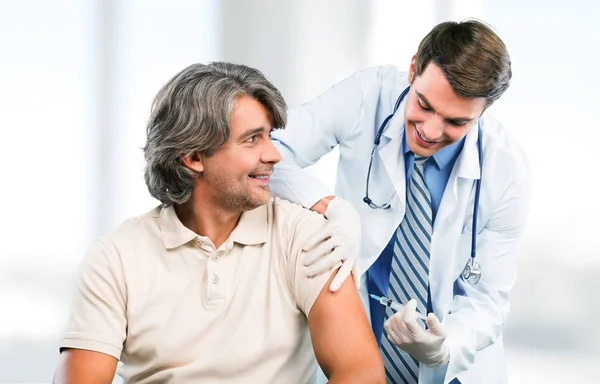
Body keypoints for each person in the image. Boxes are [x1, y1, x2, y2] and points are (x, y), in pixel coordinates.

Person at [52, 62, 385, 384]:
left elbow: (362, 373)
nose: (274, 155)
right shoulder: (116, 257)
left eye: (269, 135)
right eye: (253, 139)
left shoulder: (304, 236)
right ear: (194, 157)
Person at [269, 19, 532, 384]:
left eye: (456, 121)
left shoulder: (507, 171)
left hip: (455, 369)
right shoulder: (367, 95)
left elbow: (488, 300)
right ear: (413, 69)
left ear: (482, 112)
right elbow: (270, 149)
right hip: (361, 347)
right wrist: (329, 206)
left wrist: (444, 346)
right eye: (424, 104)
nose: (430, 130)